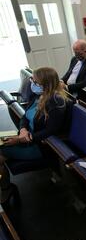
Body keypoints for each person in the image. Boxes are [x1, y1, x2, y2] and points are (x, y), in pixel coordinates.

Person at [1, 67, 69, 204]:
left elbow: (50, 131)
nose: (32, 83)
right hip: (25, 138)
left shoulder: (56, 102)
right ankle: (6, 188)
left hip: (38, 145)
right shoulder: (37, 96)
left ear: (46, 84)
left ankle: (6, 188)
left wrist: (24, 139)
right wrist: (23, 130)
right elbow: (24, 118)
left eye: (35, 81)